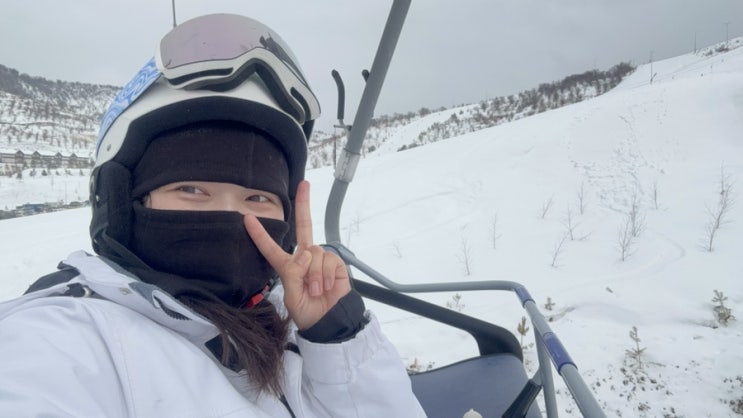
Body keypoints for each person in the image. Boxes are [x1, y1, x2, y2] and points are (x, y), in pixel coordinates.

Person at [0, 13, 426, 417]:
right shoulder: (62, 340)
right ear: (122, 203)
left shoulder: (292, 325)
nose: (229, 216)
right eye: (191, 190)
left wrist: (337, 338)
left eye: (258, 198)